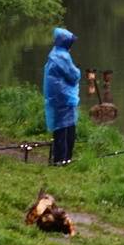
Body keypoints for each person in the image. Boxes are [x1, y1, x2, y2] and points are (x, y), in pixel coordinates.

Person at [44, 27, 81, 165]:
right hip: (65, 98)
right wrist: (78, 71)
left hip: (55, 98)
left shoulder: (54, 54)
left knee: (60, 128)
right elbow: (74, 75)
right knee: (67, 129)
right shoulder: (63, 57)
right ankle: (63, 159)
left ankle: (59, 158)